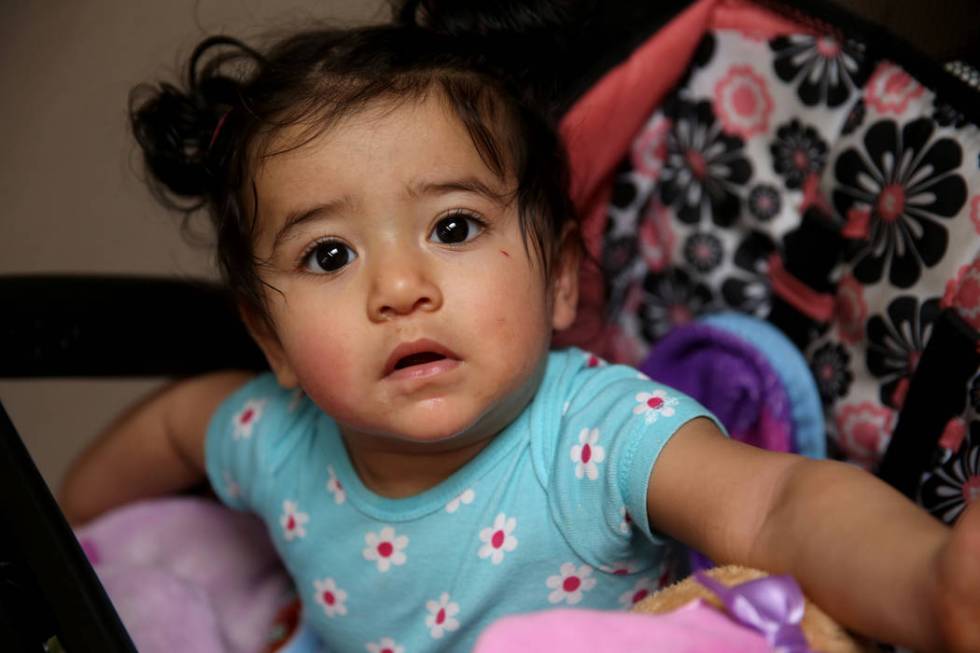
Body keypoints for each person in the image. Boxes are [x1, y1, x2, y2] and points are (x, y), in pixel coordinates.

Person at [60, 8, 980, 653]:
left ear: (560, 282)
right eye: (331, 256)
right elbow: (180, 421)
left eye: (453, 228)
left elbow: (776, 506)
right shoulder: (277, 440)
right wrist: (68, 523)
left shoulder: (593, 437)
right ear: (269, 339)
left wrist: (929, 582)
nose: (400, 287)